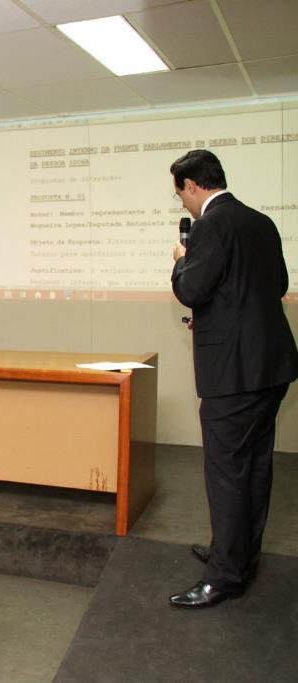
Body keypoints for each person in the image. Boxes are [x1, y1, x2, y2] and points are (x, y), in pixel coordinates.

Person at [168, 149, 298, 609]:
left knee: (226, 472)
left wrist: (181, 259)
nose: (182, 203)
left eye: (180, 193)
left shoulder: (209, 225)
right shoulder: (261, 222)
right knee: (256, 466)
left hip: (234, 374)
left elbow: (191, 290)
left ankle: (223, 576)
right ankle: (240, 555)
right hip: (272, 367)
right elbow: (276, 284)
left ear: (192, 185)